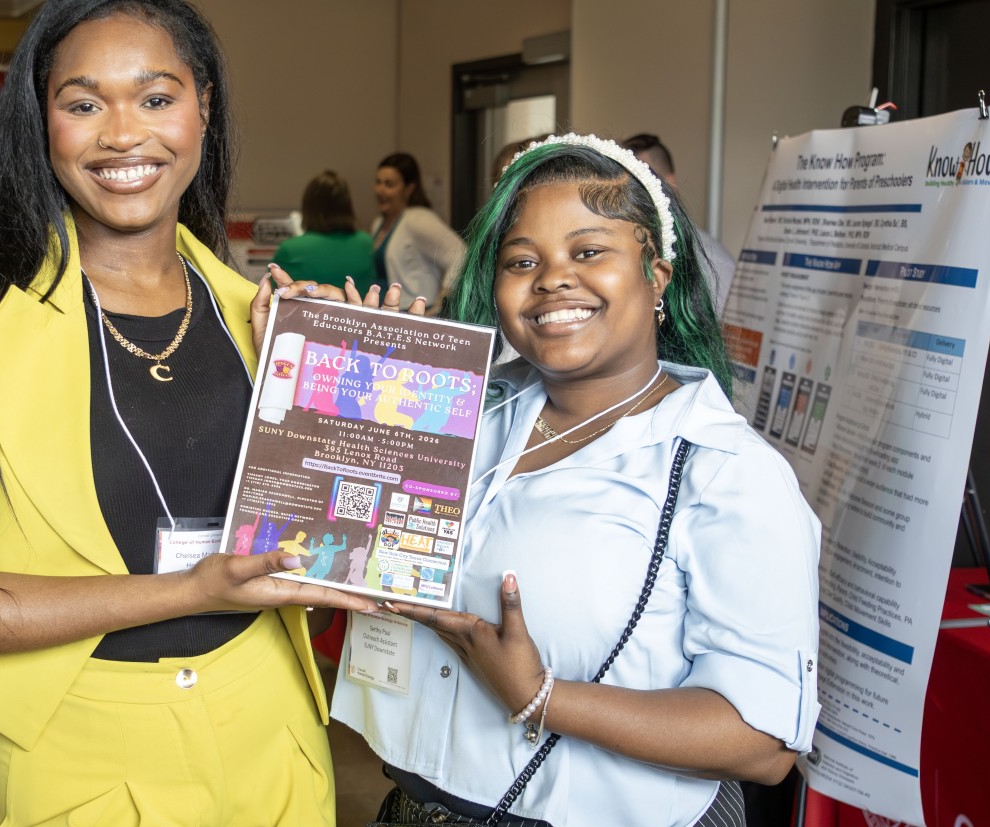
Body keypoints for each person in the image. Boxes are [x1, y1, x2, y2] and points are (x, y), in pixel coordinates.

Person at [0, 3, 401, 825]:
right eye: (83, 104)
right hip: (87, 754)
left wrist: (368, 391)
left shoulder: (266, 318)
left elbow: (337, 566)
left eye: (156, 99)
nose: (123, 135)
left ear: (205, 107)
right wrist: (184, 589)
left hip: (276, 734)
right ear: (41, 123)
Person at [333, 134, 821, 826]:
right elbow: (352, 556)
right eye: (522, 260)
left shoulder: (724, 471)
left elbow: (763, 739)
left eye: (588, 251)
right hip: (413, 807)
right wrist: (355, 396)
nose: (552, 278)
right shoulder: (462, 417)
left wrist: (541, 695)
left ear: (657, 273)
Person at [621, 133, 737, 312]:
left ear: (669, 184)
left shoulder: (711, 261)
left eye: (641, 182)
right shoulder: (622, 250)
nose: (631, 195)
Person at [371, 152, 465, 311]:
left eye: (389, 184)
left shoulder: (418, 219)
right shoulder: (378, 223)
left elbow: (461, 253)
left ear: (409, 189)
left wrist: (440, 304)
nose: (380, 190)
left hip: (414, 314)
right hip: (388, 314)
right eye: (378, 182)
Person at [273, 170, 376, 290]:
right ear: (347, 205)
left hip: (307, 310)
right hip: (358, 308)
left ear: (308, 206)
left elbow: (271, 293)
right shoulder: (366, 243)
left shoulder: (290, 249)